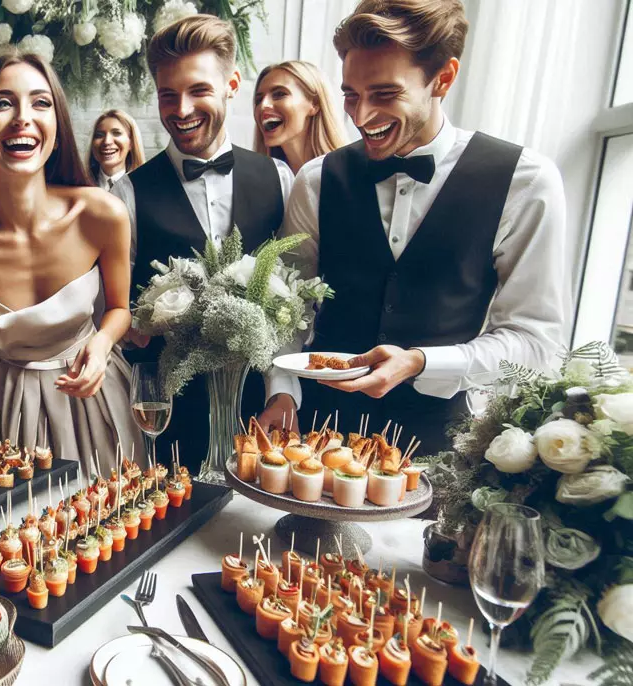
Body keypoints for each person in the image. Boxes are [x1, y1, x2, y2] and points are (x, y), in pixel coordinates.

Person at [266, 0, 568, 453]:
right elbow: (286, 312)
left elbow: (537, 343)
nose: (361, 116)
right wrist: (282, 390)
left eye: (385, 94)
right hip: (313, 444)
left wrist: (424, 362)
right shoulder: (316, 180)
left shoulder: (526, 182)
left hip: (440, 453)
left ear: (443, 78)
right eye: (351, 94)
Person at [0, 53, 140, 475]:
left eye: (40, 103)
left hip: (99, 396)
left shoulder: (103, 213)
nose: (22, 118)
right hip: (4, 410)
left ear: (57, 129)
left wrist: (102, 343)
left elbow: (120, 310)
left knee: (116, 524)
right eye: (2, 104)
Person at [113, 15, 294, 472]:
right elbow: (115, 312)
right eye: (167, 95)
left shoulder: (280, 178)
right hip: (167, 421)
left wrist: (284, 390)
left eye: (198, 90)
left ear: (232, 83)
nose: (181, 109)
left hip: (263, 417)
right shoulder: (128, 193)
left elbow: (297, 303)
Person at [253, 60, 347, 174]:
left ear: (315, 104)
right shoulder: (261, 179)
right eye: (258, 100)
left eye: (279, 94)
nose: (263, 106)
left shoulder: (346, 173)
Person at [88, 109, 145, 191]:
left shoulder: (145, 187)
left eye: (116, 133)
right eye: (99, 135)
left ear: (131, 142)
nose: (107, 141)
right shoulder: (80, 185)